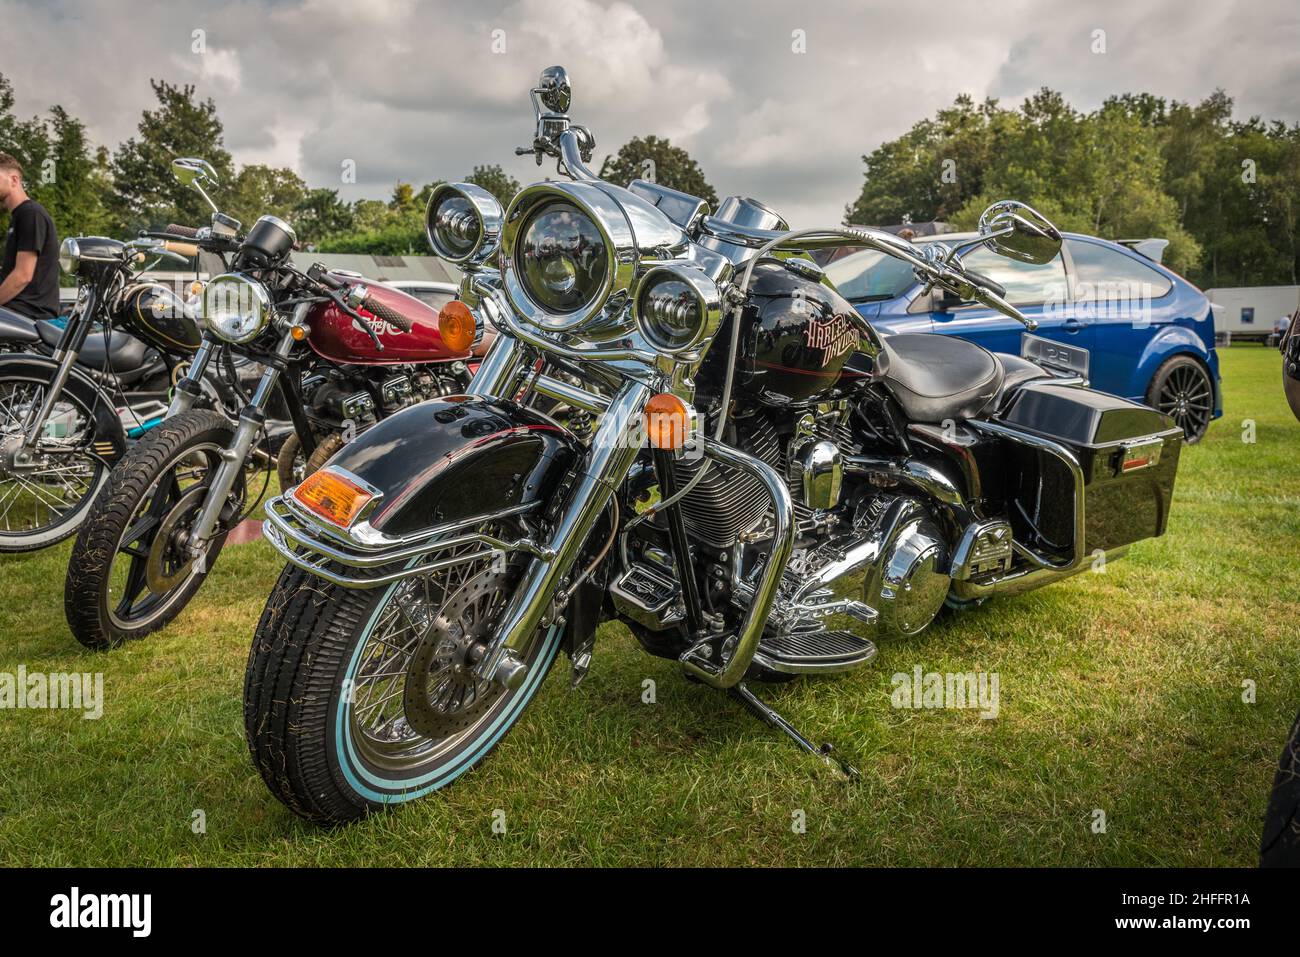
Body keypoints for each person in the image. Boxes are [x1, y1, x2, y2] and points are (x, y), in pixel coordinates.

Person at [0, 152, 60, 322]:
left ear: (14, 180)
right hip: (18, 310)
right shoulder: (19, 216)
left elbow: (23, 275)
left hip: (30, 313)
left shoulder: (31, 214)